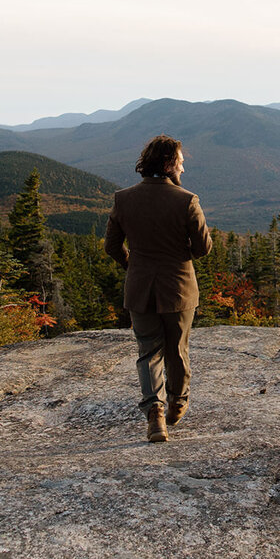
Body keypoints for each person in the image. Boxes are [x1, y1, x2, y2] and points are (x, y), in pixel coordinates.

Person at [104, 135, 213, 443]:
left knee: (148, 352)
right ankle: (178, 403)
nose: (183, 165)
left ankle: (155, 414)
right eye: (180, 161)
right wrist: (178, 257)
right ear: (168, 164)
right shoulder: (186, 200)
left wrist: (134, 266)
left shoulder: (123, 199)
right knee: (177, 350)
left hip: (139, 289)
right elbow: (204, 248)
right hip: (179, 288)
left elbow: (112, 246)